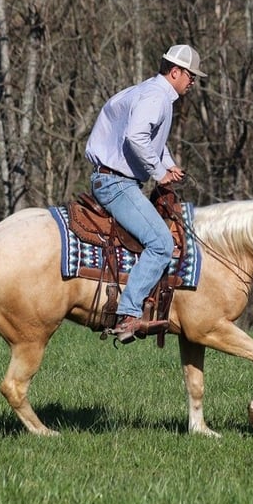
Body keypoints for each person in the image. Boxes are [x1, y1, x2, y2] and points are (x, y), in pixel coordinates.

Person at [84, 44, 207, 344]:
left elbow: (149, 140)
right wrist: (159, 172)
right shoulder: (156, 97)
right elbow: (136, 137)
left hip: (112, 179)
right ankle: (128, 313)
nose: (193, 82)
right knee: (162, 243)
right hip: (117, 183)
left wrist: (167, 164)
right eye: (191, 76)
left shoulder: (147, 91)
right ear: (175, 72)